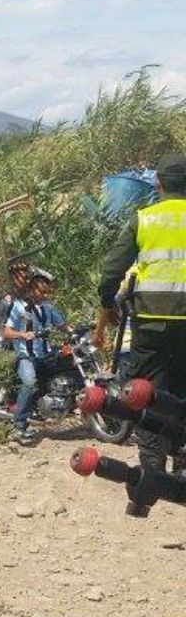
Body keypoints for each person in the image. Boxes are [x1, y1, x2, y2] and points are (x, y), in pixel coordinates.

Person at [99, 153, 186, 487]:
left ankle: (153, 466)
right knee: (181, 386)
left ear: (158, 184)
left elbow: (112, 269)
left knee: (146, 391)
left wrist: (109, 301)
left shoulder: (144, 219)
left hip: (151, 323)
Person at [5, 269, 68, 442]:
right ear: (32, 290)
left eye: (48, 292)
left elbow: (63, 326)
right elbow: (7, 331)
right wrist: (22, 335)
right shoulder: (18, 306)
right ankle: (19, 425)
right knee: (30, 383)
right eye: (42, 291)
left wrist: (76, 332)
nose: (45, 295)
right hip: (26, 355)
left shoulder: (48, 308)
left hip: (45, 354)